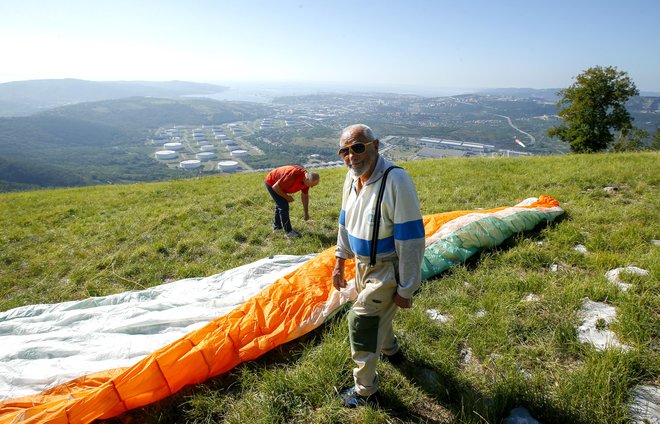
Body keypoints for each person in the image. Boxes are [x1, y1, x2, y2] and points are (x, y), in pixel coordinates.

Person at [332, 124, 425, 408]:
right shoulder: (352, 177)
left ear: (376, 145)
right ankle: (391, 350)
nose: (351, 156)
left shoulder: (396, 180)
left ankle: (365, 391)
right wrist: (339, 261)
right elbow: (345, 222)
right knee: (376, 315)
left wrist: (407, 288)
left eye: (358, 147)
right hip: (361, 266)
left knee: (360, 321)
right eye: (344, 151)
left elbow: (411, 239)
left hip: (386, 269)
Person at [264, 165, 319, 238]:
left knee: (280, 204)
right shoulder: (293, 175)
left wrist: (306, 213)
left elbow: (305, 197)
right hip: (272, 182)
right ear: (307, 179)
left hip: (281, 185)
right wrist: (287, 197)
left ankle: (277, 228)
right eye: (311, 185)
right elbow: (275, 187)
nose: (310, 187)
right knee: (283, 205)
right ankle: (288, 232)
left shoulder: (307, 181)